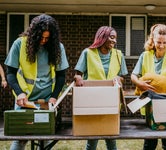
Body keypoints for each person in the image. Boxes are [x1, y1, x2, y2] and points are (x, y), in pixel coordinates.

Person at [4, 14, 69, 150]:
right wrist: (19, 93)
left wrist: (54, 96)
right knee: (21, 138)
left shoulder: (57, 47)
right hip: (25, 99)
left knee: (45, 137)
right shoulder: (19, 44)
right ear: (34, 34)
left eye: (47, 38)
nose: (44, 41)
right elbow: (10, 73)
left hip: (46, 99)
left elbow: (61, 75)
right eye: (41, 37)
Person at [131, 24, 166, 150]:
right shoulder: (145, 55)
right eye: (158, 42)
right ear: (152, 39)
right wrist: (139, 83)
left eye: (165, 42)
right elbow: (134, 75)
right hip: (149, 103)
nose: (161, 45)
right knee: (149, 142)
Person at [74, 26, 128, 150]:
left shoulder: (118, 54)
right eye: (112, 37)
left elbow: (123, 76)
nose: (114, 41)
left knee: (111, 139)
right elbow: (78, 73)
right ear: (103, 37)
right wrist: (78, 78)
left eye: (115, 38)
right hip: (93, 101)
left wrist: (120, 79)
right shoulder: (88, 52)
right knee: (92, 139)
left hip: (111, 101)